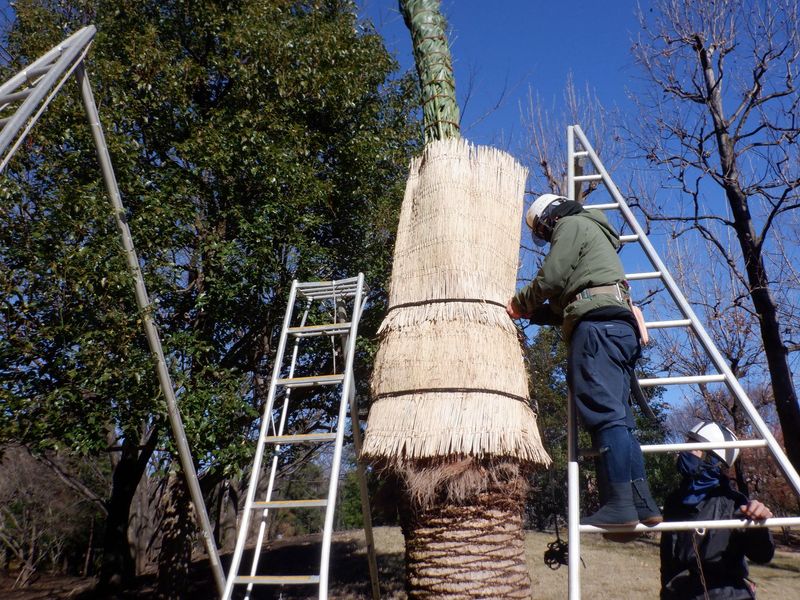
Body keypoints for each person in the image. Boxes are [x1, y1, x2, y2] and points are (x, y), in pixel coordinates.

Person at [506, 193, 661, 530]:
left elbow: (552, 277)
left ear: (551, 218)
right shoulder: (594, 235)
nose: (545, 236)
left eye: (544, 230)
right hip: (616, 328)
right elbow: (568, 299)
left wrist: (519, 304)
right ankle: (642, 502)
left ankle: (619, 504)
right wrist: (537, 314)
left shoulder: (572, 225)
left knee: (604, 414)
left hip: (596, 332)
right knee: (620, 418)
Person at [660, 421, 775, 600]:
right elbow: (668, 560)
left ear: (712, 459)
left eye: (695, 448)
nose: (684, 452)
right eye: (686, 444)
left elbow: (762, 555)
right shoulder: (674, 502)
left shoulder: (734, 503)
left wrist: (759, 527)